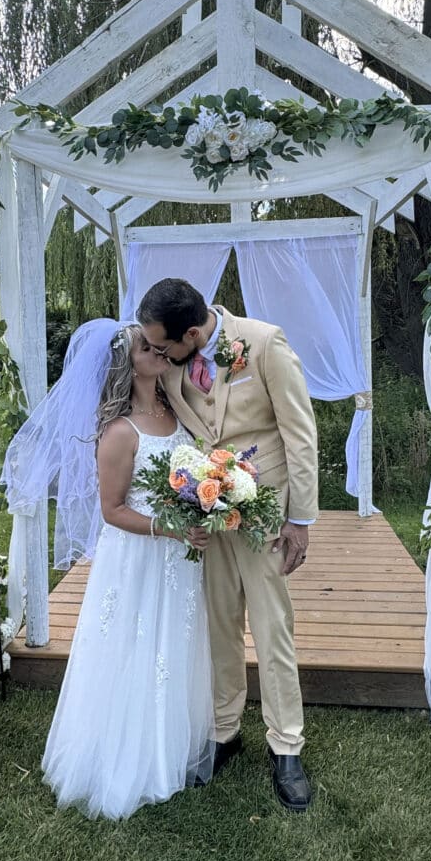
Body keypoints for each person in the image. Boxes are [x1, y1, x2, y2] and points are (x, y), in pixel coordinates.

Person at [1, 320, 214, 819]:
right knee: (133, 648)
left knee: (170, 644)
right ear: (128, 362)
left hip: (176, 558)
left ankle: (169, 746)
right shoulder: (120, 431)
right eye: (148, 347)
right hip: (138, 556)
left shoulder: (173, 407)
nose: (160, 351)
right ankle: (125, 757)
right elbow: (113, 510)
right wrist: (175, 529)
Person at [138, 279, 318, 812]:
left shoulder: (263, 344)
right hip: (206, 513)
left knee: (271, 628)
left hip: (265, 513)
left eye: (163, 345)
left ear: (192, 333)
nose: (157, 354)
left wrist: (301, 519)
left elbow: (300, 432)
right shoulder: (171, 364)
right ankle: (225, 730)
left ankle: (286, 745)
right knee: (218, 626)